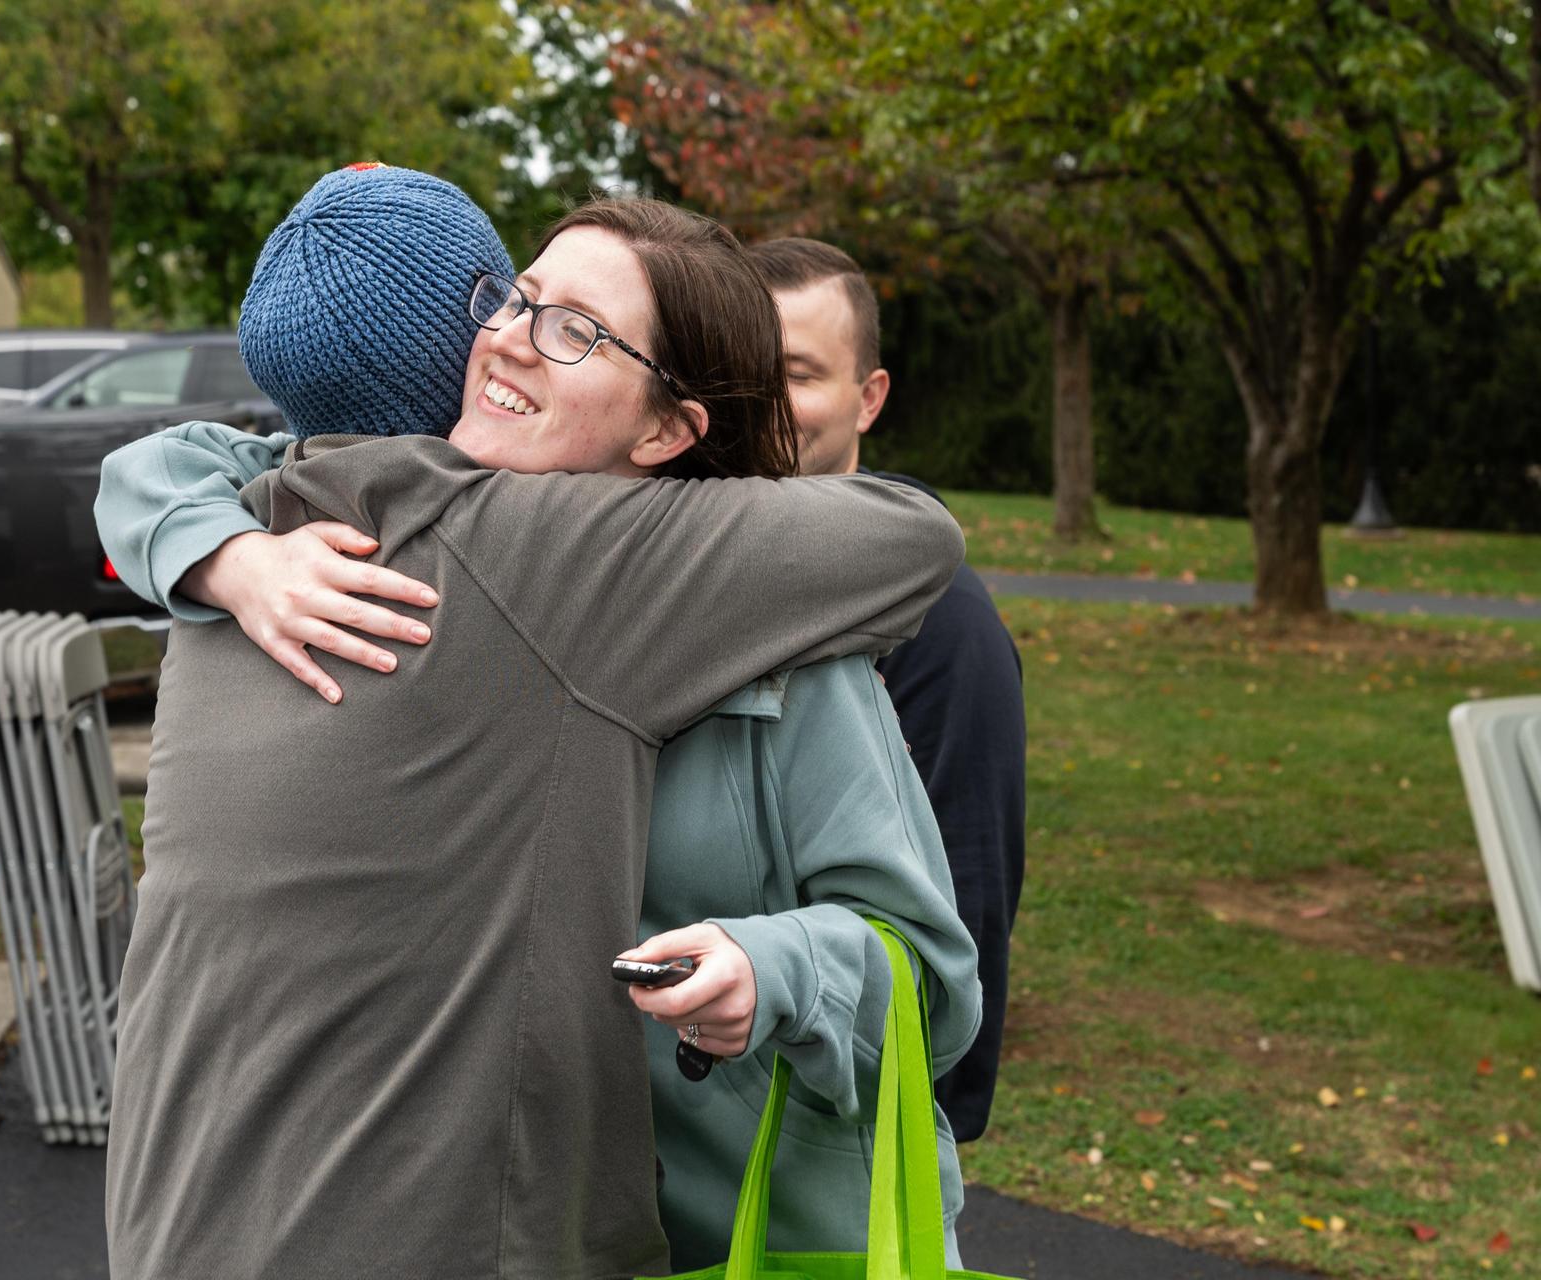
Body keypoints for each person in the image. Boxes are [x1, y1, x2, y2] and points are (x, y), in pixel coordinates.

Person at [98, 167, 971, 1279]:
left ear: (668, 429)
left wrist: (780, 965)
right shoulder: (349, 557)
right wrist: (220, 549)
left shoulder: (785, 666)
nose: (510, 336)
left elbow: (938, 992)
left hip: (758, 1234)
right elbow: (219, 459)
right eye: (513, 298)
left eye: (575, 330)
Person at [745, 237, 1026, 1144]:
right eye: (738, 368)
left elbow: (962, 923)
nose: (757, 401)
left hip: (821, 1131)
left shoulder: (940, 626)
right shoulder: (693, 576)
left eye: (793, 372)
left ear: (869, 398)